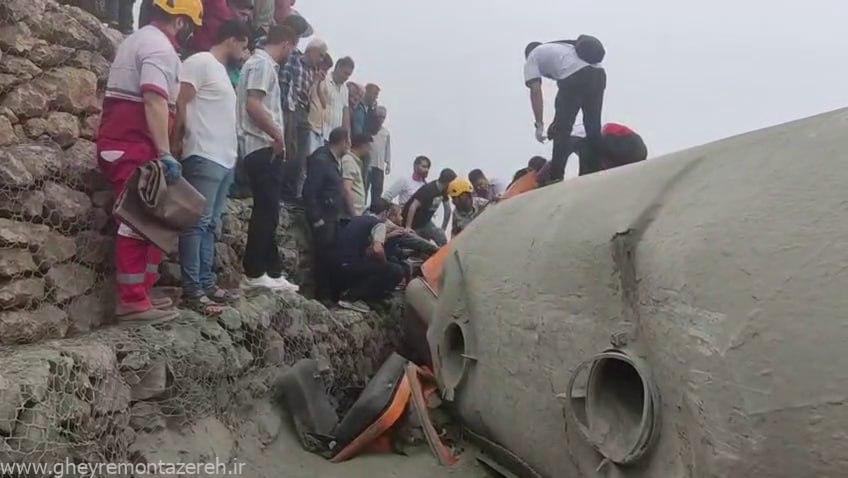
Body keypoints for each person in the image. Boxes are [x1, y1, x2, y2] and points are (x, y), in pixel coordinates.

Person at [97, 0, 202, 323]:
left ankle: (143, 291)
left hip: (134, 144)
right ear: (182, 22)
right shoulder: (158, 47)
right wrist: (165, 151)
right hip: (132, 143)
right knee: (137, 223)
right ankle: (132, 299)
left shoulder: (143, 40)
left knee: (153, 221)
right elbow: (154, 99)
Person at [174, 20, 249, 314]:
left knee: (210, 225)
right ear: (231, 39)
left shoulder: (222, 72)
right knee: (197, 223)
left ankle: (206, 283)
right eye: (243, 45)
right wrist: (177, 142)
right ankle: (193, 290)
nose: (244, 52)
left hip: (224, 159)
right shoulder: (201, 61)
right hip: (203, 153)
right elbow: (182, 101)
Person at [236, 24, 300, 291]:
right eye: (292, 48)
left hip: (260, 147)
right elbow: (254, 104)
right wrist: (278, 136)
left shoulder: (259, 64)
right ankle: (254, 271)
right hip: (261, 146)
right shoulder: (262, 64)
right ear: (286, 43)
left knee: (269, 209)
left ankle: (271, 271)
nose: (290, 54)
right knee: (265, 210)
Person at [524, 36, 606, 182]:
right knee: (592, 125)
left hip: (574, 76)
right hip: (598, 74)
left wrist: (539, 124)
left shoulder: (532, 56)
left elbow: (535, 91)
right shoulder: (560, 47)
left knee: (562, 130)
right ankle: (596, 169)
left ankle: (555, 176)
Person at [303, 127, 351, 300]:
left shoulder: (331, 161)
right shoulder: (321, 160)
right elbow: (309, 191)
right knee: (323, 259)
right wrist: (317, 219)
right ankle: (322, 297)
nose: (349, 146)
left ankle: (328, 296)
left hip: (332, 218)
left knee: (330, 257)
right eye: (348, 141)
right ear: (343, 140)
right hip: (323, 218)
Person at [279, 37, 329, 201]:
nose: (321, 59)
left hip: (303, 112)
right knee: (290, 150)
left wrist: (316, 82)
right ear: (312, 50)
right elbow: (284, 82)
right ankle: (284, 191)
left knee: (301, 156)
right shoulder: (294, 59)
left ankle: (291, 192)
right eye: (321, 55)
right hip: (290, 109)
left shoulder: (311, 71)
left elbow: (316, 99)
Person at [332, 207, 405, 302]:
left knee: (380, 265)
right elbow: (377, 250)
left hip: (337, 263)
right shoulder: (379, 224)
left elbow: (366, 250)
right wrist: (384, 263)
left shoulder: (358, 218)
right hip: (351, 265)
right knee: (395, 270)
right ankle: (356, 297)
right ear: (385, 213)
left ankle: (354, 292)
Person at [402, 168, 457, 247]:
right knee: (420, 245)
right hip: (413, 223)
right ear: (447, 183)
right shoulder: (429, 189)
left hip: (425, 222)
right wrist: (408, 227)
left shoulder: (444, 191)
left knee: (440, 236)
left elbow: (448, 210)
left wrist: (443, 229)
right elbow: (413, 206)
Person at [189, 0, 254, 54]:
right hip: (197, 49)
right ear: (230, 6)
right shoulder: (216, 5)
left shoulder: (238, 27)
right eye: (242, 14)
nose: (245, 19)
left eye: (247, 16)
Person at [321, 57, 354, 142]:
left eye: (349, 75)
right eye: (345, 73)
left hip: (335, 138)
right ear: (338, 67)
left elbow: (345, 113)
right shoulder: (324, 80)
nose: (346, 77)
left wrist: (347, 137)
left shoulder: (345, 89)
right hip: (321, 132)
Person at [306, 52, 333, 155]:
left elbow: (324, 103)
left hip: (320, 127)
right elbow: (308, 96)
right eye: (324, 69)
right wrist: (316, 81)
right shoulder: (310, 74)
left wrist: (319, 84)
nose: (325, 72)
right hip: (310, 124)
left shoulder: (324, 82)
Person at [341, 134, 373, 217]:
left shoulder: (356, 162)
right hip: (350, 215)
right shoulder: (349, 160)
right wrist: (354, 215)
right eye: (368, 146)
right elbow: (346, 189)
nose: (370, 149)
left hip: (356, 214)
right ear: (362, 145)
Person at [367, 106, 391, 204]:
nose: (381, 119)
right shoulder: (369, 129)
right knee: (364, 187)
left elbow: (387, 149)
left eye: (383, 117)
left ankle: (374, 211)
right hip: (368, 164)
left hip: (379, 166)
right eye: (379, 116)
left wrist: (388, 163)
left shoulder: (386, 132)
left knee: (377, 191)